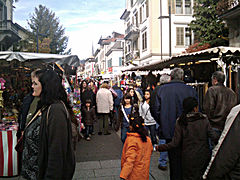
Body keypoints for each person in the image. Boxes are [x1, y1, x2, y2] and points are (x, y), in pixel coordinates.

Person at [21, 69, 75, 180]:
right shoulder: (44, 105)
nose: (32, 86)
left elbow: (57, 153)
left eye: (35, 83)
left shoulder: (56, 110)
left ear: (46, 86)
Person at [156, 97, 218, 180]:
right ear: (195, 108)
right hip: (203, 155)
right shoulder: (204, 119)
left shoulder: (181, 121)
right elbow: (213, 136)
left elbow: (175, 143)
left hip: (188, 158)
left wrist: (159, 147)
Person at [153, 68, 197, 180]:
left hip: (169, 130)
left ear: (171, 77)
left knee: (174, 160)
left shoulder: (162, 90)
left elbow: (155, 109)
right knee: (186, 160)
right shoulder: (190, 90)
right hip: (188, 129)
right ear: (182, 77)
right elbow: (196, 110)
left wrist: (163, 121)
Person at [203, 104, 240, 179]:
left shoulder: (237, 112)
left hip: (215, 125)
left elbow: (226, 153)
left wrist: (208, 175)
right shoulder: (232, 95)